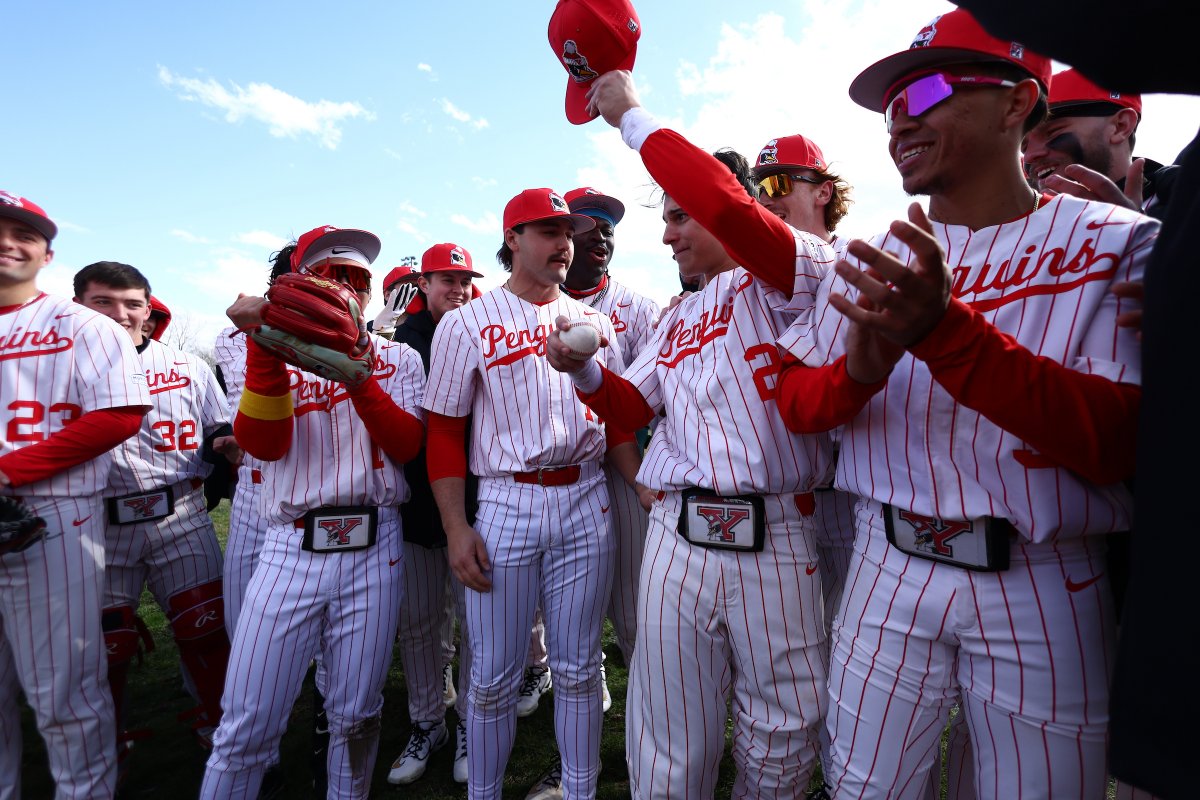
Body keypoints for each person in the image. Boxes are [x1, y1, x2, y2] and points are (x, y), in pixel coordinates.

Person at [766, 9, 1154, 796]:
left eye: (927, 91)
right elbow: (797, 403)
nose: (900, 119)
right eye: (890, 106)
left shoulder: (1119, 241)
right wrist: (859, 373)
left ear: (1017, 102)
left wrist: (945, 335)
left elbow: (1123, 443)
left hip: (1043, 578)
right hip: (887, 564)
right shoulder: (872, 255)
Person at [567, 73, 845, 795]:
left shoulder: (797, 274)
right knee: (666, 734)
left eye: (680, 216)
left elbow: (727, 205)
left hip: (777, 534)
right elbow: (629, 406)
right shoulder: (677, 316)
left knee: (782, 737)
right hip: (678, 536)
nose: (667, 234)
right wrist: (584, 371)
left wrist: (632, 119)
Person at [949, 2, 1200, 794]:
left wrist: (1160, 254)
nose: (1034, 151)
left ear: (1123, 124)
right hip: (1111, 567)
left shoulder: (1160, 215)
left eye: (1055, 132)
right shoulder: (1010, 232)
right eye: (1027, 137)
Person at [200, 224, 427, 799]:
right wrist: (266, 346)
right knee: (246, 725)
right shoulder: (266, 349)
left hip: (375, 545)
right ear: (298, 283)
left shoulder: (399, 356)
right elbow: (264, 444)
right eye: (328, 274)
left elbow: (406, 447)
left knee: (357, 715)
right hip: (289, 548)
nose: (344, 286)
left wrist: (360, 380)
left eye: (356, 277)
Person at [423, 188, 625, 800]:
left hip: (585, 496)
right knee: (491, 677)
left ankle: (580, 791)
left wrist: (639, 480)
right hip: (506, 502)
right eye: (548, 230)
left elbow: (617, 418)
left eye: (569, 232)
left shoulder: (595, 321)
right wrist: (456, 528)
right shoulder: (465, 322)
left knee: (579, 667)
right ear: (512, 238)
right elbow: (444, 431)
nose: (565, 243)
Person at [0, 191, 151, 798]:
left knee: (63, 694)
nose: (8, 242)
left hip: (50, 516)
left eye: (24, 233)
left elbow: (119, 415)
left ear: (47, 254)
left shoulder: (83, 325)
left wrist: (10, 470)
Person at [521, 186, 660, 800]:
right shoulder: (524, 307)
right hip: (558, 486)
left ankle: (646, 757)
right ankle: (573, 762)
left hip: (624, 481)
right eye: (587, 225)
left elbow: (660, 402)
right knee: (571, 638)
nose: (601, 235)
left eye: (609, 226)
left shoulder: (639, 308)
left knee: (636, 626)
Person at [73, 263, 235, 762]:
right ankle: (105, 749)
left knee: (206, 627)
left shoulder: (188, 366)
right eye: (103, 302)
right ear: (78, 307)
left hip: (178, 513)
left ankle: (220, 729)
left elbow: (219, 426)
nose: (119, 314)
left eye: (132, 303)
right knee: (105, 644)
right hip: (97, 523)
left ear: (149, 308)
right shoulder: (56, 370)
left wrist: (224, 448)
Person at [385, 242, 483, 787]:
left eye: (465, 280)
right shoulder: (403, 341)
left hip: (477, 499)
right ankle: (428, 722)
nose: (458, 289)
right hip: (418, 501)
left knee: (476, 623)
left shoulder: (481, 328)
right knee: (420, 623)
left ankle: (468, 719)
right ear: (423, 284)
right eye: (447, 279)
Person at [1022, 67, 1178, 218]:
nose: (1029, 156)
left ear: (1120, 127)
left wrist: (1136, 232)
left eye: (1052, 132)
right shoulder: (1025, 225)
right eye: (1024, 146)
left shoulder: (1183, 199)